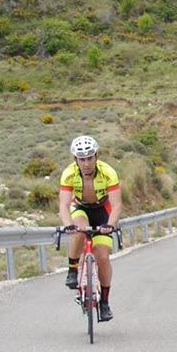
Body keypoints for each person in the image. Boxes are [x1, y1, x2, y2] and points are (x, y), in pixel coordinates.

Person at [58, 135, 121, 322]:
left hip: (102, 209)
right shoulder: (69, 173)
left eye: (90, 158)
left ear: (96, 156)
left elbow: (116, 205)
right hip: (80, 207)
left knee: (103, 257)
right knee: (79, 230)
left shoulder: (108, 172)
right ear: (76, 160)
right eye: (82, 159)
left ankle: (105, 302)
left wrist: (111, 225)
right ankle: (72, 270)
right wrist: (67, 224)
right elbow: (64, 204)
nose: (86, 163)